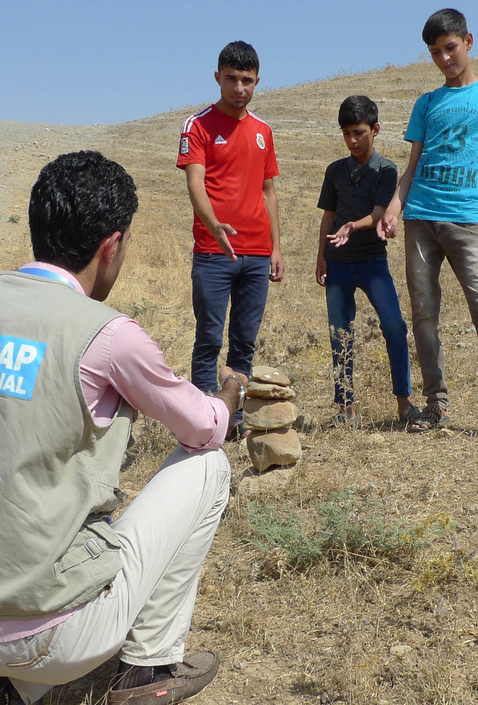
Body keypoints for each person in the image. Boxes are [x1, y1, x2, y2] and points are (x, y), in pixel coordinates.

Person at [0, 151, 243, 705]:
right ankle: (149, 670)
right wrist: (226, 399)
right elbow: (204, 428)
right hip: (50, 633)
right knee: (209, 466)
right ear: (111, 245)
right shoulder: (104, 335)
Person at [378, 7, 478, 438]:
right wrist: (394, 207)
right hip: (420, 220)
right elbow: (411, 167)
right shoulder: (426, 103)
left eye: (450, 48)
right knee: (424, 315)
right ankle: (436, 405)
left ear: (468, 41)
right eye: (435, 52)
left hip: (467, 219)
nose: (444, 58)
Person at [178, 40, 281, 427]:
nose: (240, 88)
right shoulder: (198, 125)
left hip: (256, 253)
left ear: (257, 82)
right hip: (213, 251)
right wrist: (213, 225)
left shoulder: (263, 131)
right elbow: (195, 185)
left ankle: (233, 419)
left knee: (244, 342)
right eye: (232, 79)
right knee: (208, 339)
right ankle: (202, 420)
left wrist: (276, 248)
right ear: (217, 78)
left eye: (247, 81)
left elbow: (269, 191)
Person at [315, 95, 418, 426]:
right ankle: (346, 408)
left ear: (375, 130)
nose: (352, 140)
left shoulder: (386, 170)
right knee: (339, 334)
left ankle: (404, 403)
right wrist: (321, 257)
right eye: (346, 133)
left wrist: (353, 225)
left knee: (394, 325)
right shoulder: (334, 171)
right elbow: (328, 217)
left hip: (372, 262)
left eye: (359, 132)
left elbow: (378, 214)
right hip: (338, 263)